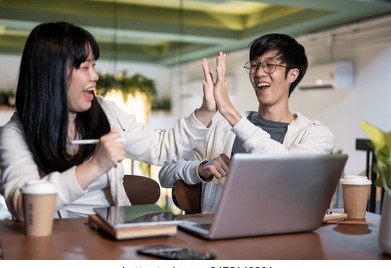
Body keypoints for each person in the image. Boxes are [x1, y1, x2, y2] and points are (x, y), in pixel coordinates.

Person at [0, 21, 219, 220]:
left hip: (111, 235)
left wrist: (206, 111)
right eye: (85, 67)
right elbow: (23, 205)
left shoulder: (105, 111)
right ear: (52, 75)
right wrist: (96, 165)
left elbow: (161, 148)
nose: (95, 75)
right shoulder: (14, 134)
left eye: (94, 65)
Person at [159, 33, 335, 213]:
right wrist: (202, 168)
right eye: (254, 65)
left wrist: (229, 111)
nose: (259, 73)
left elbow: (288, 170)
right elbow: (165, 174)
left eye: (269, 65)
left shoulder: (316, 134)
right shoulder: (222, 128)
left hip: (281, 235)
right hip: (220, 234)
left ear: (292, 74)